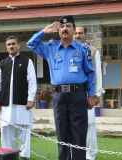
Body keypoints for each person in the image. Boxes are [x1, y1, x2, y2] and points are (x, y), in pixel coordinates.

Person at [26, 15, 96, 160]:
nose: (65, 29)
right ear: (58, 30)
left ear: (73, 30)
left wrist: (90, 96)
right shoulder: (50, 48)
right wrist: (44, 31)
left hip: (78, 95)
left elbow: (90, 73)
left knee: (79, 133)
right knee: (61, 132)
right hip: (59, 97)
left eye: (68, 26)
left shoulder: (83, 49)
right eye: (62, 27)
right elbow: (31, 44)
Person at [0, 36, 37, 160]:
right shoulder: (2, 63)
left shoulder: (27, 61)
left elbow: (32, 81)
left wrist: (30, 99)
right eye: (8, 44)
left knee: (24, 131)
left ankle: (23, 156)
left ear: (19, 45)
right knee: (6, 131)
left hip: (22, 103)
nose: (11, 46)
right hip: (5, 104)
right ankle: (8, 155)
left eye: (13, 44)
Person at [74, 26, 105, 160]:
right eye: (75, 33)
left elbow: (97, 73)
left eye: (80, 33)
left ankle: (90, 155)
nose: (77, 36)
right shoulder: (69, 50)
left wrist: (97, 95)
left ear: (86, 35)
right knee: (74, 125)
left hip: (88, 95)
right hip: (73, 95)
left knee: (89, 124)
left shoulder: (93, 51)